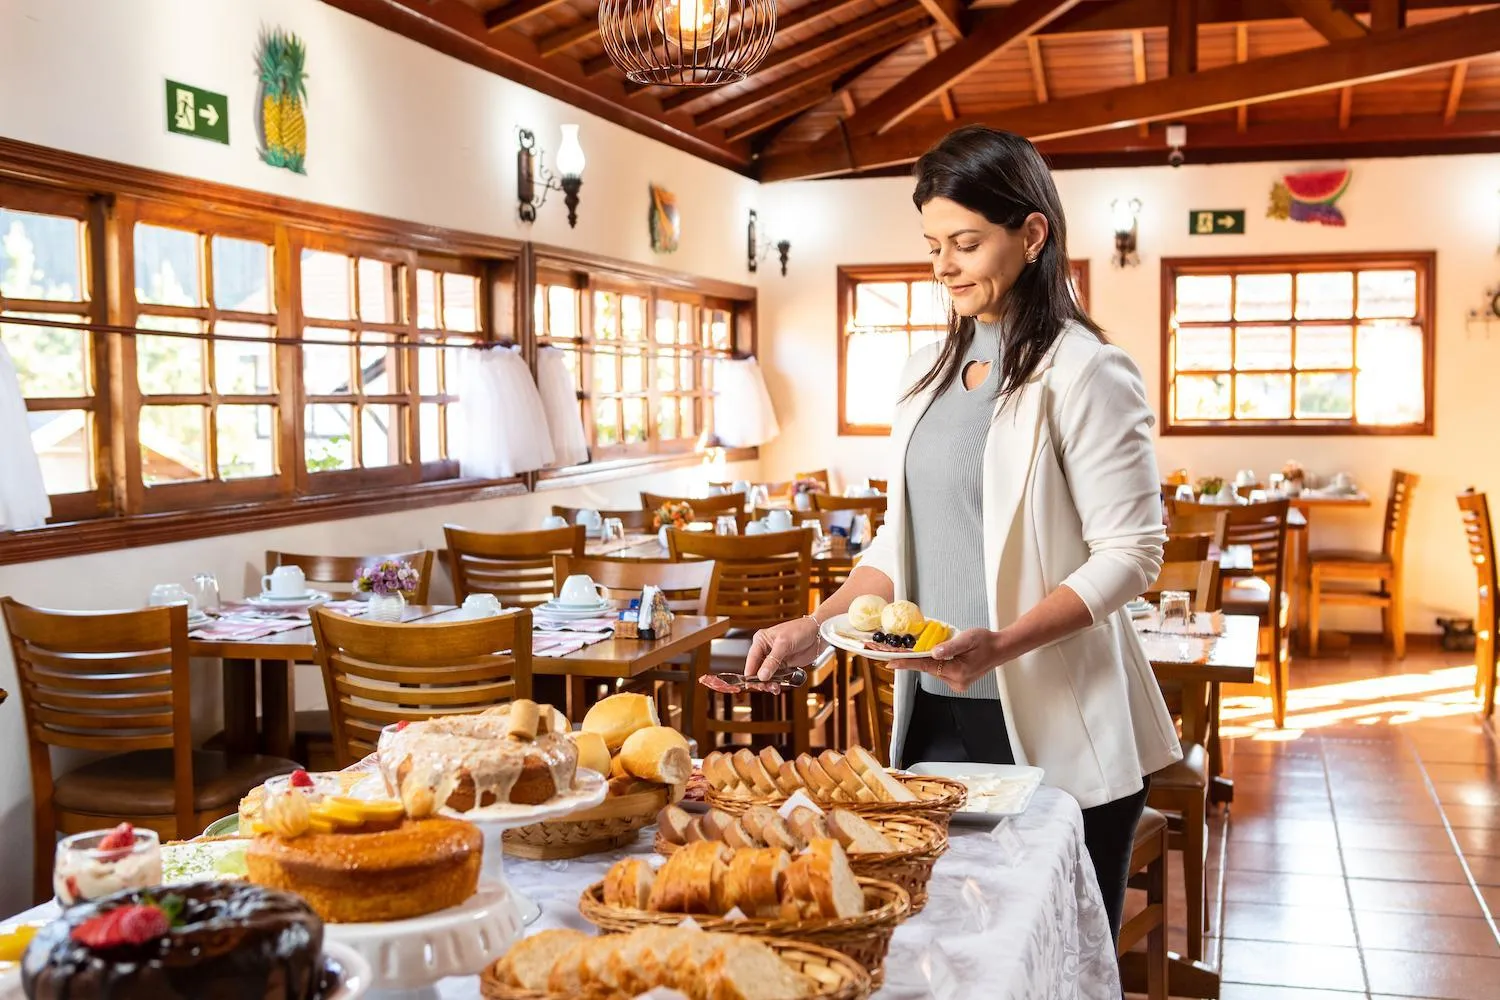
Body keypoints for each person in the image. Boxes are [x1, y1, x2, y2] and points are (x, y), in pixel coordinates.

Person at [743, 125, 1181, 943]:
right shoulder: (924, 373)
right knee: (944, 954)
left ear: (1032, 234)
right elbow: (897, 543)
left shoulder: (1087, 371)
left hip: (1054, 723)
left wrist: (1003, 643)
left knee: (1061, 963)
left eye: (966, 242)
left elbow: (1132, 552)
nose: (943, 264)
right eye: (933, 243)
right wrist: (821, 628)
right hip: (933, 719)